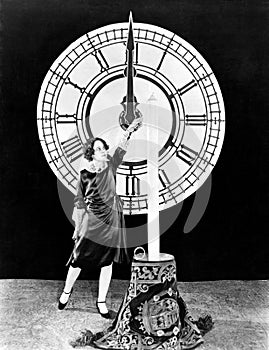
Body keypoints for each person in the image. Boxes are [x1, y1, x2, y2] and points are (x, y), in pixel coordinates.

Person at [58, 117, 142, 318]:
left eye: (104, 147)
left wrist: (129, 130)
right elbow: (79, 201)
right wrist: (78, 227)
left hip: (111, 220)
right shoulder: (85, 174)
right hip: (92, 221)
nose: (103, 150)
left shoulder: (111, 165)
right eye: (98, 149)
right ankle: (66, 293)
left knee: (107, 262)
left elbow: (121, 148)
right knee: (77, 259)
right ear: (91, 154)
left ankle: (101, 301)